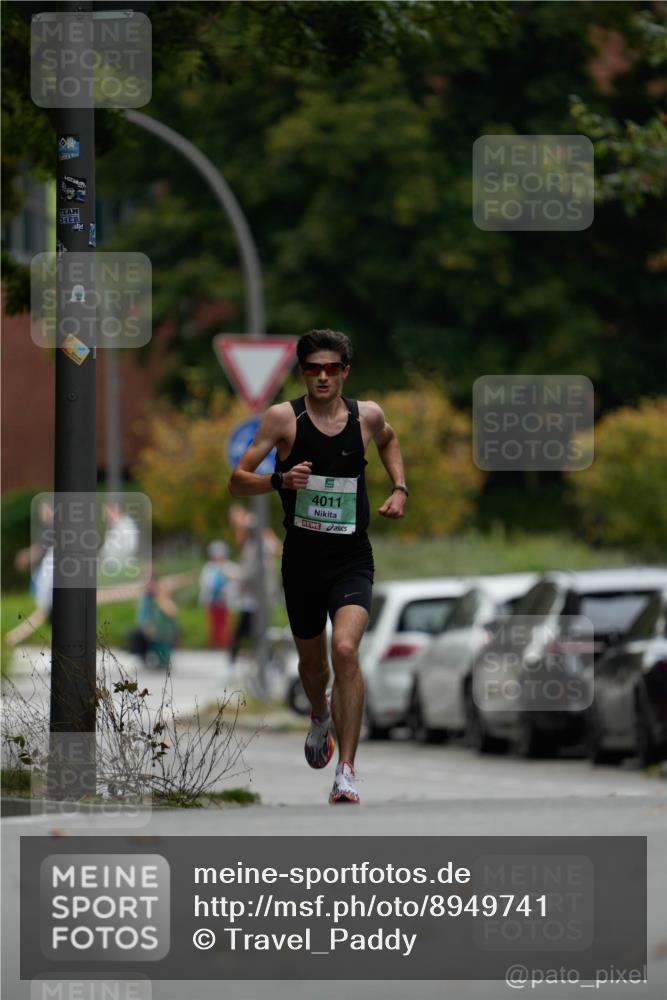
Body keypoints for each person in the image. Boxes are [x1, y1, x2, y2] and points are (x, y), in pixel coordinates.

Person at [229, 329, 408, 804]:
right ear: (302, 373)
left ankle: (346, 771)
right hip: (302, 562)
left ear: (345, 371)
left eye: (331, 368)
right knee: (313, 665)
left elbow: (390, 441)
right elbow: (237, 480)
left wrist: (399, 487)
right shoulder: (283, 419)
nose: (323, 377)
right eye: (313, 368)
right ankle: (318, 713)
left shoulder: (367, 416)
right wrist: (279, 479)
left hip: (352, 558)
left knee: (345, 650)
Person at [227, 505, 280, 670]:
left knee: (250, 630)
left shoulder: (255, 538)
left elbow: (250, 571)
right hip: (253, 595)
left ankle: (266, 661)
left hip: (258, 595)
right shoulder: (251, 544)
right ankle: (269, 660)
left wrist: (235, 574)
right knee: (254, 631)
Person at [198, 540, 237, 649]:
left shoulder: (230, 566)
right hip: (212, 600)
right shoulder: (208, 567)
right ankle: (214, 644)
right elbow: (204, 582)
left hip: (226, 601)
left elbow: (235, 581)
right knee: (213, 624)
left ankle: (226, 644)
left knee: (226, 623)